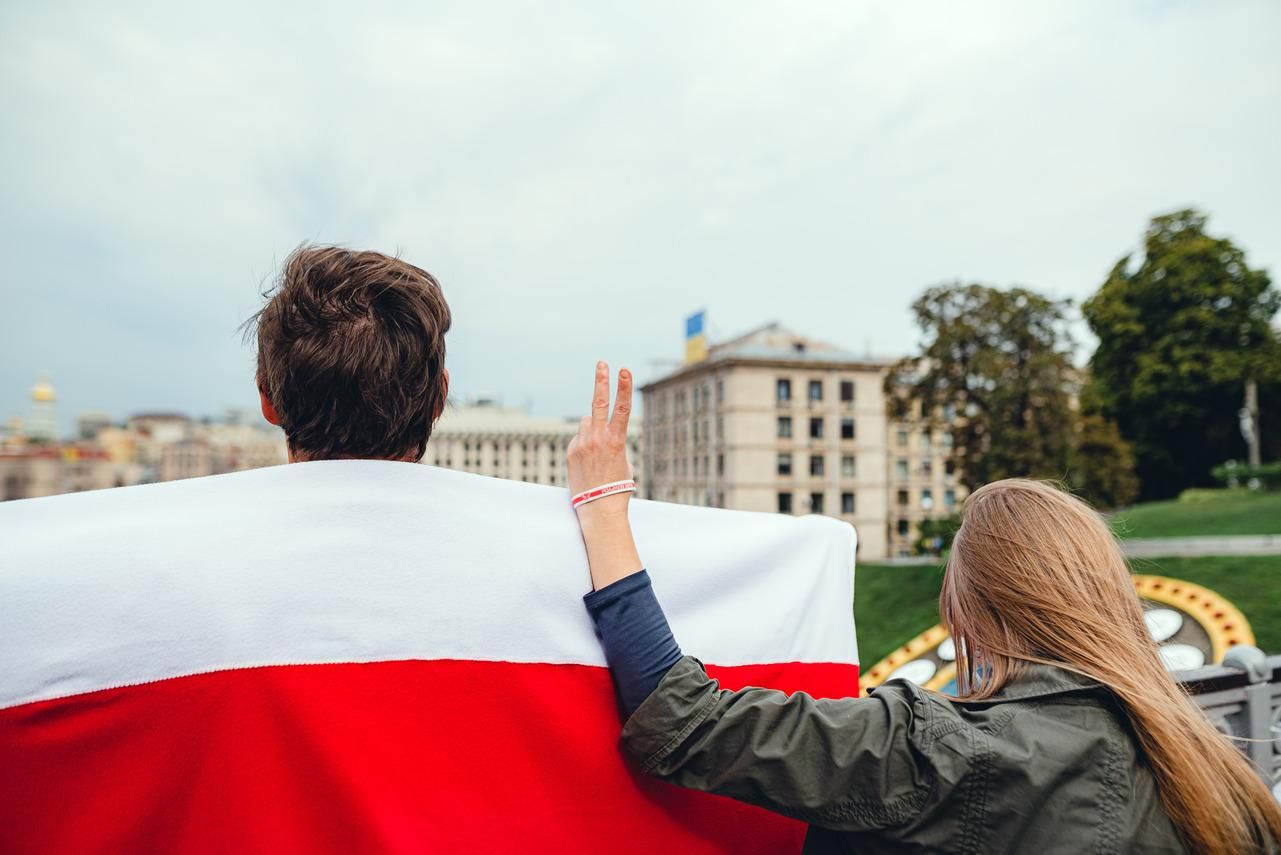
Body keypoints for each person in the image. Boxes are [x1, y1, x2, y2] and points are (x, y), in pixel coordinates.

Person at [567, 363, 1281, 854]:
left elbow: (682, 720)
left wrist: (602, 505)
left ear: (969, 611)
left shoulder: (950, 750)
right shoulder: (1214, 769)